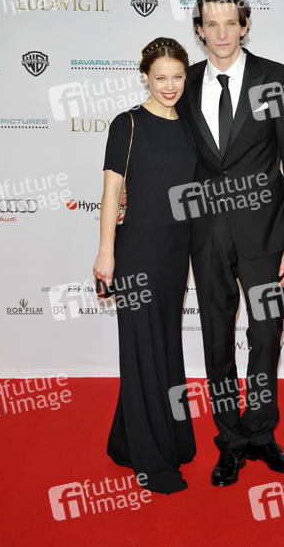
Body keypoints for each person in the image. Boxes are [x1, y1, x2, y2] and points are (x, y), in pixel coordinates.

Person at [177, 0, 284, 486]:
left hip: (267, 233)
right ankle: (231, 441)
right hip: (206, 232)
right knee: (216, 337)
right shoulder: (185, 82)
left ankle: (261, 433)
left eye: (230, 23)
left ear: (245, 25)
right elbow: (170, 153)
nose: (221, 34)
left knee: (265, 335)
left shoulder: (275, 78)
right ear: (199, 30)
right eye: (211, 24)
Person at [93, 37, 197, 494]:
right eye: (160, 78)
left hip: (176, 251)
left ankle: (136, 440)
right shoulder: (128, 124)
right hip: (137, 250)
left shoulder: (190, 124)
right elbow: (111, 192)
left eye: (177, 77)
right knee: (141, 350)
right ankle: (152, 461)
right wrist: (106, 251)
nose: (169, 86)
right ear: (145, 78)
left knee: (165, 345)